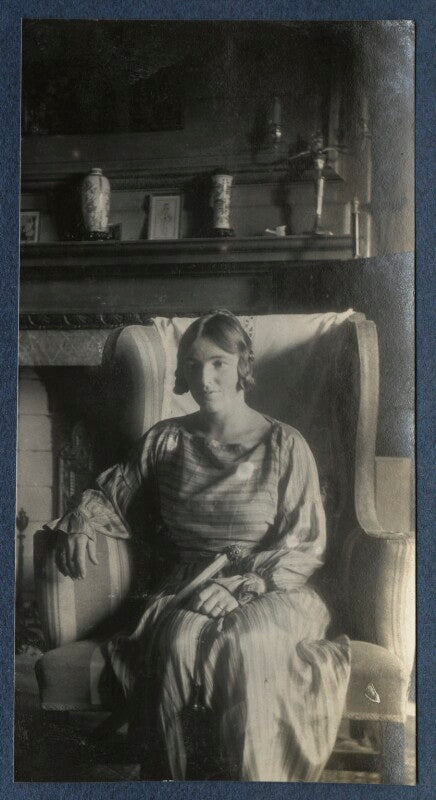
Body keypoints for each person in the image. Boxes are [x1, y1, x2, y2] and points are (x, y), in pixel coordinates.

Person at [54, 310, 351, 781]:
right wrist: (79, 520)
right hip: (189, 585)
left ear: (242, 366)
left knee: (246, 644)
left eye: (218, 363)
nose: (204, 379)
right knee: (175, 645)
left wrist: (244, 586)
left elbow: (306, 542)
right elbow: (112, 491)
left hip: (271, 587)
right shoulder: (166, 441)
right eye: (192, 366)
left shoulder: (285, 445)